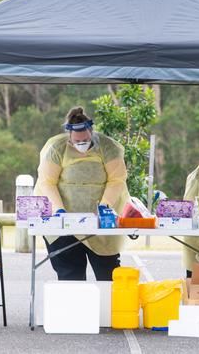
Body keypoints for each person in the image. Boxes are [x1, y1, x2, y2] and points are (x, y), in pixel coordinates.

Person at [34, 106, 129, 281]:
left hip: (100, 222)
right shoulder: (57, 148)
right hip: (65, 223)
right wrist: (58, 209)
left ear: (92, 131)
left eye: (85, 139)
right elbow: (47, 182)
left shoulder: (107, 147)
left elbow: (117, 180)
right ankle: (74, 309)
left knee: (108, 274)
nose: (81, 143)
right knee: (70, 276)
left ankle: (110, 309)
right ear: (68, 135)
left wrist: (105, 206)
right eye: (77, 141)